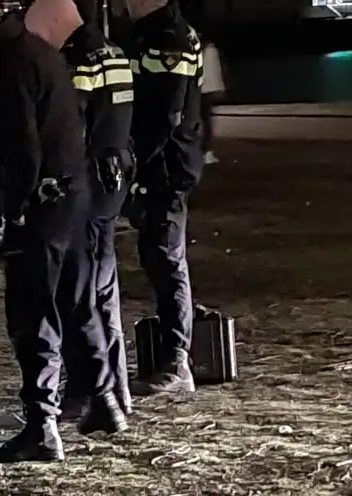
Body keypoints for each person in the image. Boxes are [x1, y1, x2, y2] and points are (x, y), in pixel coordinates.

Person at [0, 0, 126, 464]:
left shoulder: (1, 69)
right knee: (79, 305)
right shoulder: (41, 53)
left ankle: (42, 426)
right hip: (73, 199)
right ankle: (104, 402)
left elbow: (19, 149)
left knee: (32, 316)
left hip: (39, 209)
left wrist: (10, 216)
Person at [121, 0, 204, 395]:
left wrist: (134, 164)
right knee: (158, 257)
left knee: (168, 258)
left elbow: (164, 116)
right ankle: (176, 348)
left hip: (166, 169)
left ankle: (177, 359)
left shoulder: (169, 38)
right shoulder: (150, 33)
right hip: (160, 166)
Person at [59, 0, 135, 418]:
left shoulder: (79, 62)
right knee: (105, 295)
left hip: (88, 187)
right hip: (113, 183)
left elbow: (71, 126)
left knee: (85, 296)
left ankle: (94, 392)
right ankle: (115, 389)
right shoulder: (116, 54)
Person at [199, 35, 225, 165]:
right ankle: (205, 152)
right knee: (206, 121)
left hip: (201, 89)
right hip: (207, 90)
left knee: (202, 120)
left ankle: (202, 151)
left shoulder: (201, 49)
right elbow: (214, 71)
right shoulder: (210, 50)